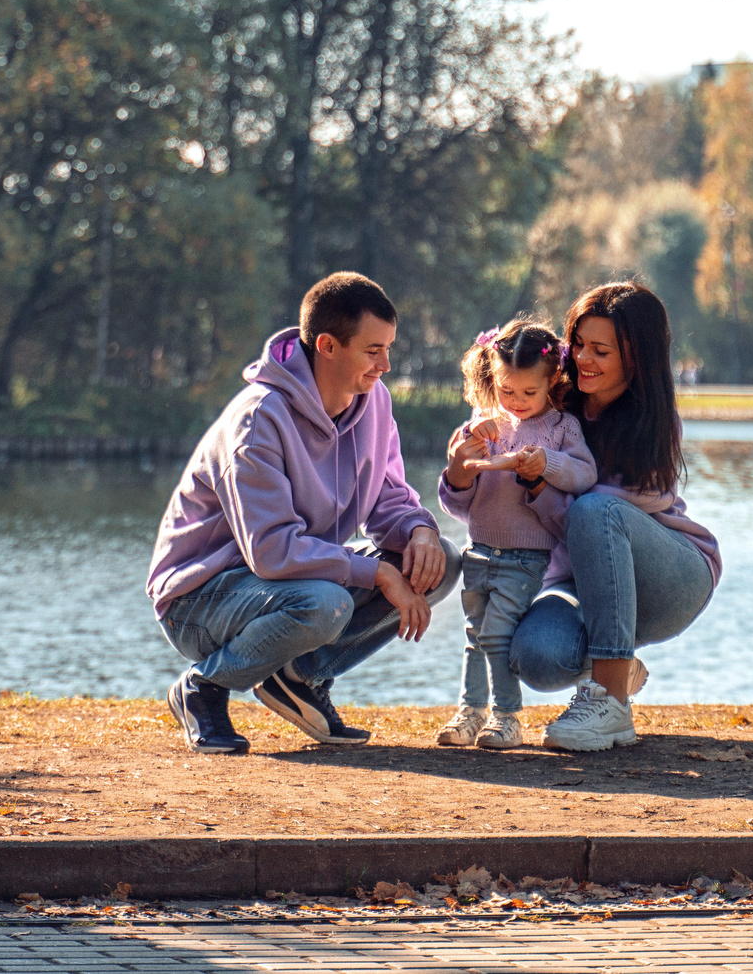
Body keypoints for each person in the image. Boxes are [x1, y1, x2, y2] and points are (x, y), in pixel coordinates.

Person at [146, 272, 454, 755]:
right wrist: (377, 575)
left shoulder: (374, 404)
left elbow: (389, 496)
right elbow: (272, 551)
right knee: (324, 603)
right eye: (373, 351)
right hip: (200, 597)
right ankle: (202, 688)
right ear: (328, 345)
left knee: (440, 564)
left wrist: (420, 530)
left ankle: (298, 678)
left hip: (290, 583)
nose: (386, 365)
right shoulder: (258, 420)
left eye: (389, 349)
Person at [507, 281, 722, 752]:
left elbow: (598, 517)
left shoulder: (655, 419)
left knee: (596, 508)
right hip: (580, 582)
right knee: (535, 658)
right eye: (578, 344)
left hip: (669, 578)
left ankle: (609, 704)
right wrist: (465, 469)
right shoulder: (553, 408)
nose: (583, 358)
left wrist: (541, 487)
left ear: (635, 357)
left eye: (600, 350)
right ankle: (616, 663)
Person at [435, 318, 597, 749]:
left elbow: (584, 475)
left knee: (496, 632)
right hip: (479, 551)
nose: (517, 402)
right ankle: (471, 711)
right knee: (475, 634)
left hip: (526, 558)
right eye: (508, 391)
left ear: (552, 382)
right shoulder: (483, 426)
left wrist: (545, 464)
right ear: (493, 379)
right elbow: (457, 503)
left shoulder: (562, 429)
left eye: (530, 392)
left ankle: (507, 716)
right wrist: (460, 466)